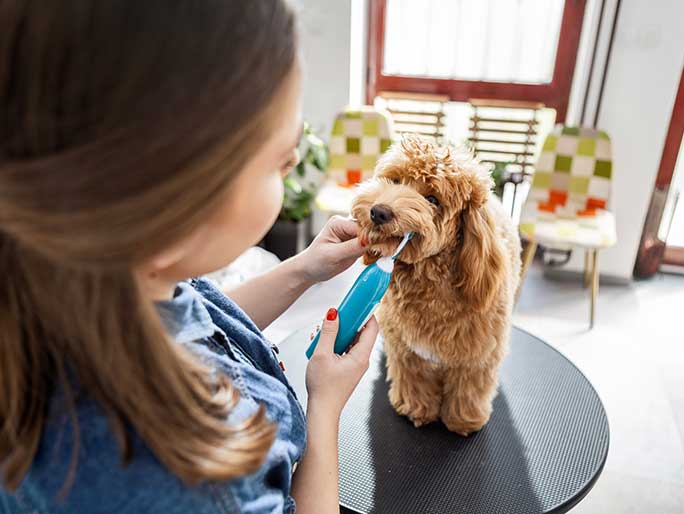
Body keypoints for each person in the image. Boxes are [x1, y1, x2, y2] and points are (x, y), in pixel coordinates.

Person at [0, 1, 379, 513]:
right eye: (279, 161)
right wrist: (325, 410)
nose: (295, 162)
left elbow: (195, 318)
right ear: (177, 204)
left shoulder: (97, 271)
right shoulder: (199, 481)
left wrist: (302, 270)